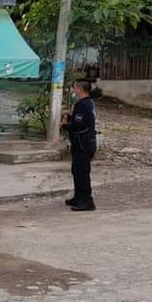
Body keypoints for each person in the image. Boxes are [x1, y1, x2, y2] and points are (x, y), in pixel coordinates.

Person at [62, 80, 98, 211]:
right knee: (77, 171)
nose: (73, 90)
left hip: (84, 143)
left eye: (74, 88)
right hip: (82, 143)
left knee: (82, 173)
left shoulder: (83, 105)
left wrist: (65, 125)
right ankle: (78, 197)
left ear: (80, 89)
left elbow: (79, 125)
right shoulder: (88, 102)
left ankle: (88, 201)